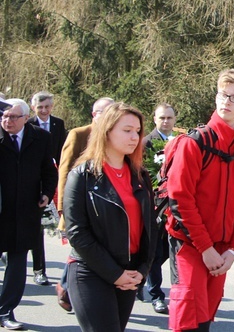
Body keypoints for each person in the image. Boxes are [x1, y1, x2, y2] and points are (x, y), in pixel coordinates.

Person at [166, 68, 234, 332]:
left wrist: (233, 251)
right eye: (223, 94)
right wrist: (205, 248)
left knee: (205, 320)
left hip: (222, 250)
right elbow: (180, 200)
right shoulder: (194, 143)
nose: (226, 102)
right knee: (187, 322)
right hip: (189, 245)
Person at [63, 102, 158, 331]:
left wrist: (142, 270)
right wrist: (115, 274)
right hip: (91, 271)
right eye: (127, 130)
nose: (134, 137)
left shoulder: (140, 175)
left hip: (130, 272)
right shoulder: (82, 175)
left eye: (137, 131)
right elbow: (77, 232)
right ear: (106, 132)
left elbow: (150, 228)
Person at [0, 99, 58, 330]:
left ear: (26, 118)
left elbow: (48, 169)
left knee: (17, 261)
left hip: (25, 210)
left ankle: (6, 311)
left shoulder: (40, 138)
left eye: (13, 117)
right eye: (4, 116)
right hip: (1, 207)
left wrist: (46, 193)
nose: (7, 121)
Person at [55, 96, 114, 312]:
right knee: (80, 245)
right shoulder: (79, 134)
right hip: (79, 203)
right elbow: (64, 170)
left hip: (103, 206)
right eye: (104, 113)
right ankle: (66, 286)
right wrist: (63, 206)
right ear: (94, 115)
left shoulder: (113, 136)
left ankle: (67, 285)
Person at [137, 102, 177, 314]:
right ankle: (156, 295)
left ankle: (141, 276)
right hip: (153, 205)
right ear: (154, 119)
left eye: (169, 118)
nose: (166, 122)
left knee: (167, 252)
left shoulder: (180, 142)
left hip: (174, 206)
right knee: (154, 249)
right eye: (162, 118)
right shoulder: (146, 143)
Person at [28, 91, 67, 286]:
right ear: (33, 107)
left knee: (50, 225)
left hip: (55, 179)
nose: (44, 111)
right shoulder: (29, 125)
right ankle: (38, 270)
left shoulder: (58, 124)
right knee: (38, 228)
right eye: (40, 107)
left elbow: (62, 151)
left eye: (47, 107)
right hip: (36, 181)